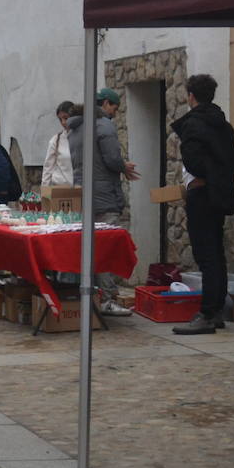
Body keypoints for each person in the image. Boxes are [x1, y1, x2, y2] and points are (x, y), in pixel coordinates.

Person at [171, 74, 234, 335]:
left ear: (191, 96)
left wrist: (207, 175)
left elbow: (194, 162)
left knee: (206, 255)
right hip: (220, 193)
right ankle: (216, 310)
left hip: (201, 193)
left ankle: (208, 312)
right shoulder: (223, 124)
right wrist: (218, 175)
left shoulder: (194, 125)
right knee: (217, 254)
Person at [68, 88, 138, 316]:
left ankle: (92, 296)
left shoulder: (75, 128)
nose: (114, 114)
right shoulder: (103, 124)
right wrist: (123, 166)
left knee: (88, 248)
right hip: (104, 196)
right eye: (114, 109)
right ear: (106, 103)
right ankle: (107, 299)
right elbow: (110, 158)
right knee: (106, 249)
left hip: (83, 195)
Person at [41, 101, 75, 186]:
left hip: (81, 190)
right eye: (60, 119)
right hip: (60, 190)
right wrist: (45, 193)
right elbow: (48, 169)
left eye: (66, 118)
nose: (63, 122)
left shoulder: (85, 138)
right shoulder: (56, 140)